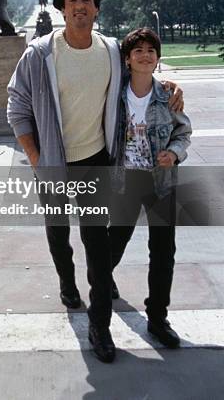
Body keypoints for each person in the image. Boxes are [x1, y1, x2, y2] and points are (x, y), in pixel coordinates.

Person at [7, 0, 184, 363]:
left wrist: (171, 84)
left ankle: (99, 326)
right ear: (62, 10)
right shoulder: (40, 54)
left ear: (96, 8)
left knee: (96, 244)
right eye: (72, 1)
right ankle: (68, 284)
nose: (79, 6)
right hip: (52, 161)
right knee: (57, 232)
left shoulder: (108, 52)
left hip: (93, 161)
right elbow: (16, 105)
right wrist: (36, 158)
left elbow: (143, 72)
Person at [108, 28, 192, 348]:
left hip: (161, 182)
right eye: (138, 50)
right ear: (127, 59)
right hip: (126, 179)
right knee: (116, 237)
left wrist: (174, 153)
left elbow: (183, 133)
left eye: (151, 50)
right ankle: (103, 279)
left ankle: (158, 317)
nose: (145, 55)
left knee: (162, 251)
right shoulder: (114, 95)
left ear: (157, 58)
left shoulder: (167, 96)